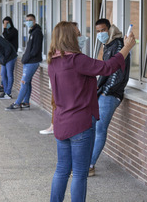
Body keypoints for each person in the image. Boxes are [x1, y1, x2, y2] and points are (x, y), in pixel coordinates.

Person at [48, 21, 135, 202]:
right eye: (78, 34)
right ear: (70, 38)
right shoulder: (77, 60)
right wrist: (126, 48)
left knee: (62, 169)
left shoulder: (53, 61)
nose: (81, 37)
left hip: (61, 123)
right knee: (79, 173)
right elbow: (108, 67)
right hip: (80, 124)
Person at [88, 18, 130, 176]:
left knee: (100, 129)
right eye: (98, 31)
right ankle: (87, 162)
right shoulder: (108, 45)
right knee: (93, 128)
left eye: (103, 30)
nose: (100, 34)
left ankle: (90, 165)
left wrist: (107, 91)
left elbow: (117, 72)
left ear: (110, 29)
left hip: (111, 93)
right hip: (103, 92)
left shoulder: (118, 45)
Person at [39, 22, 87, 135]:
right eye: (77, 34)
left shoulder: (76, 57)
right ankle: (54, 125)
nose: (81, 37)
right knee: (56, 103)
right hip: (71, 126)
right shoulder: (61, 57)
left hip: (72, 124)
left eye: (80, 34)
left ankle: (55, 126)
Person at [6, 14, 43, 110]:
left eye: (30, 20)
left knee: (23, 82)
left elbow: (35, 50)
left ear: (34, 21)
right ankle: (26, 103)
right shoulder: (32, 32)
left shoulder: (37, 32)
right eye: (26, 20)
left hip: (32, 62)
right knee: (27, 83)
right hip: (28, 62)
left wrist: (26, 59)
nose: (28, 22)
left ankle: (17, 104)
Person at [0, 17, 19, 94]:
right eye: (4, 23)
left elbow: (6, 37)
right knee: (3, 72)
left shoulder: (14, 31)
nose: (6, 25)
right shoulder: (7, 31)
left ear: (10, 22)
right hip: (6, 54)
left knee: (9, 73)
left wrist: (4, 28)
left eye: (7, 23)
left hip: (12, 54)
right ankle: (3, 86)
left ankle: (7, 90)